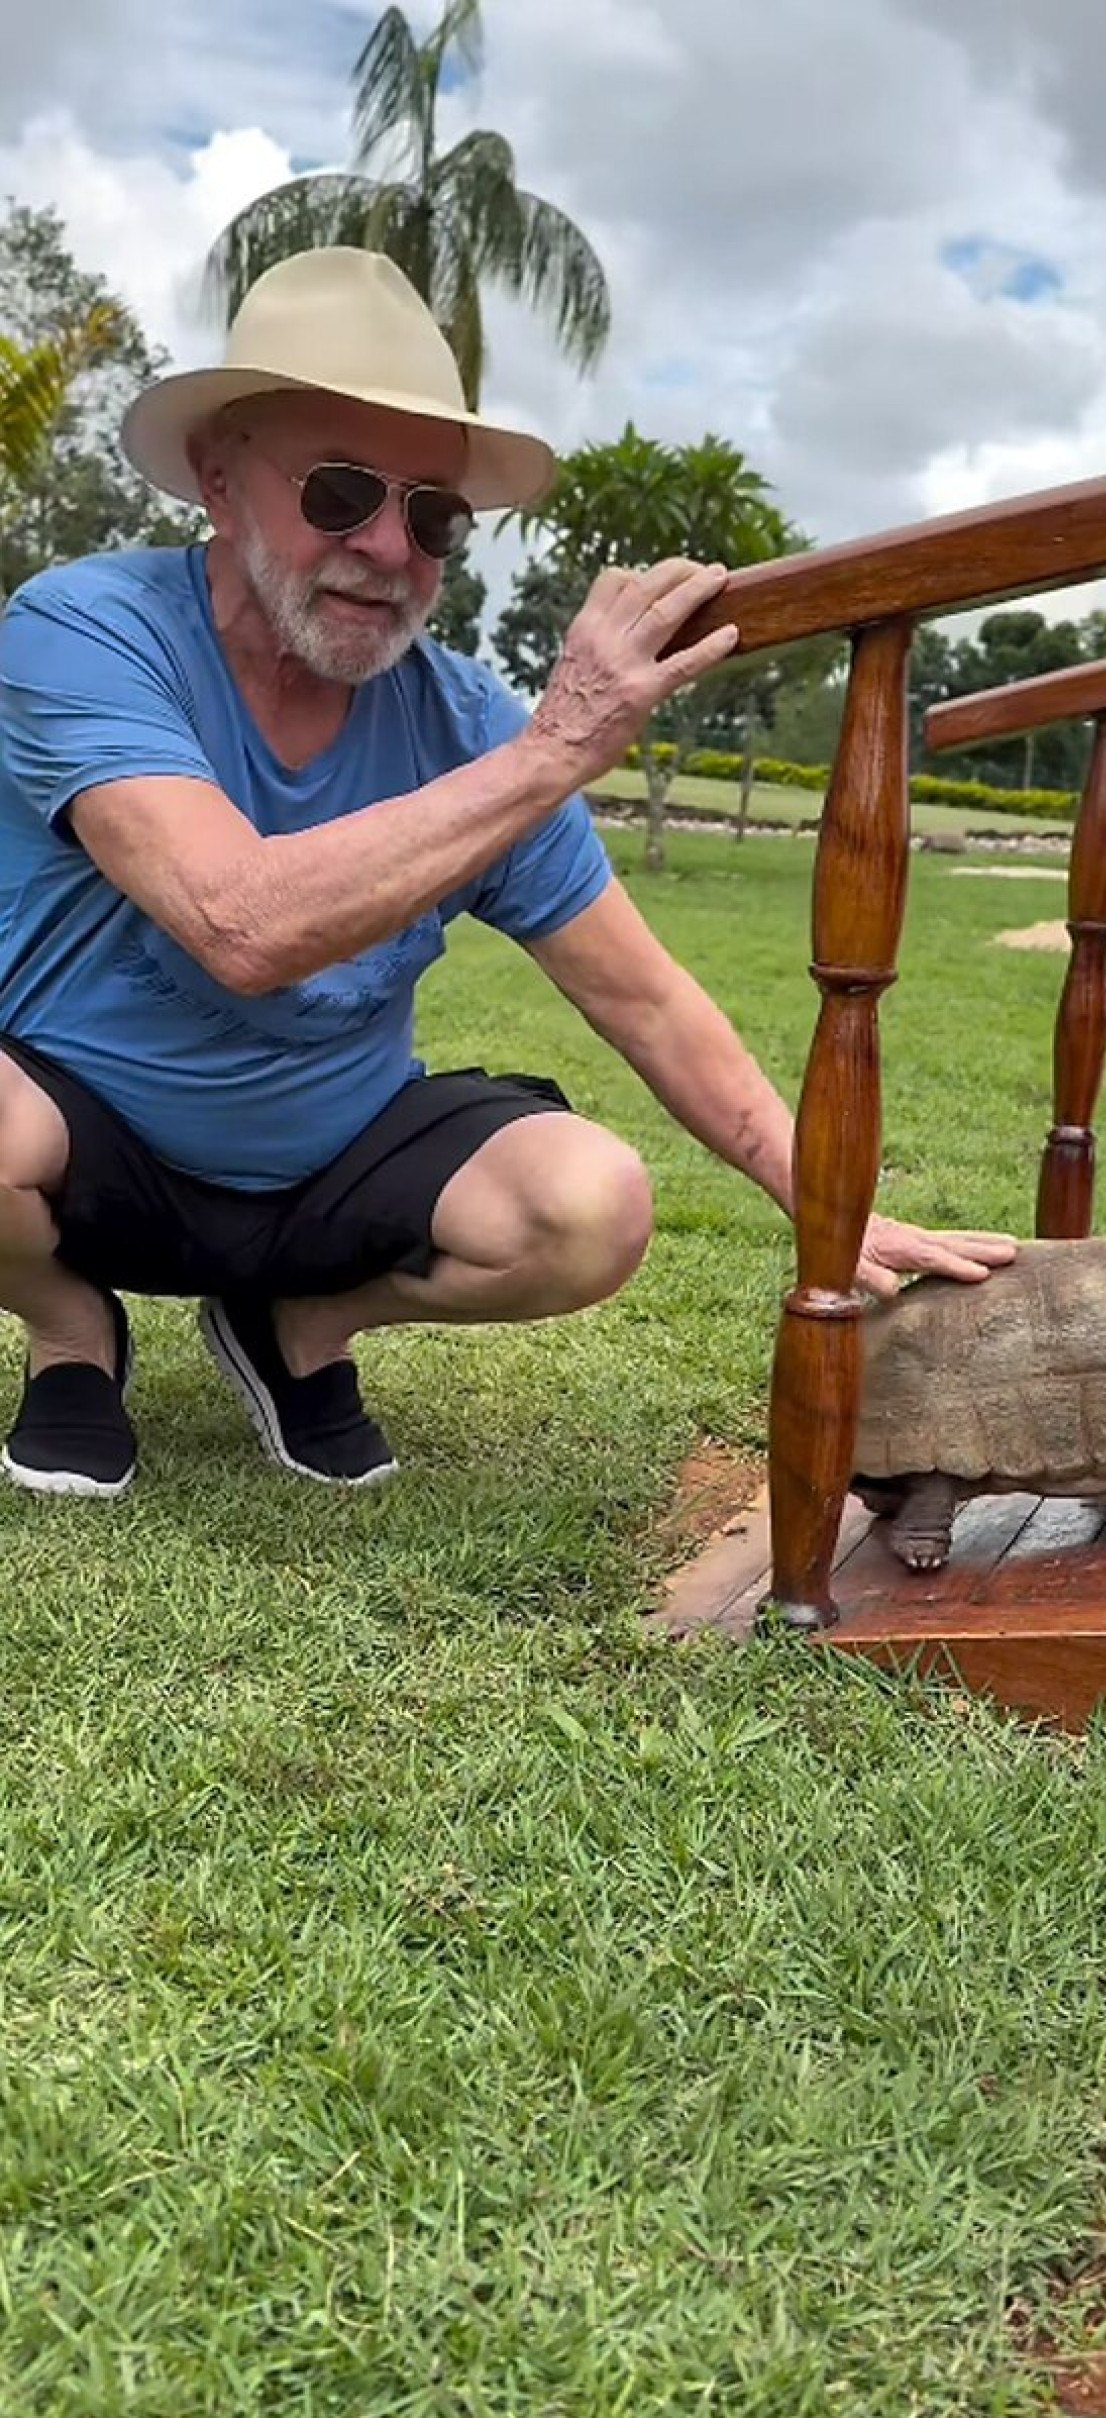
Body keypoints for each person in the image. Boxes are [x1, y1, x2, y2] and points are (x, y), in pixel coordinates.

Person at [0, 247, 1013, 1500]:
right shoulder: (82, 632)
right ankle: (70, 1331)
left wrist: (827, 1204)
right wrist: (551, 753)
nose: (387, 547)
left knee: (591, 1204)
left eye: (431, 515)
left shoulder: (466, 723)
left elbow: (640, 996)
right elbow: (239, 924)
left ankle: (296, 1328)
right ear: (219, 479)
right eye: (338, 493)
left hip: (332, 1159)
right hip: (90, 1135)